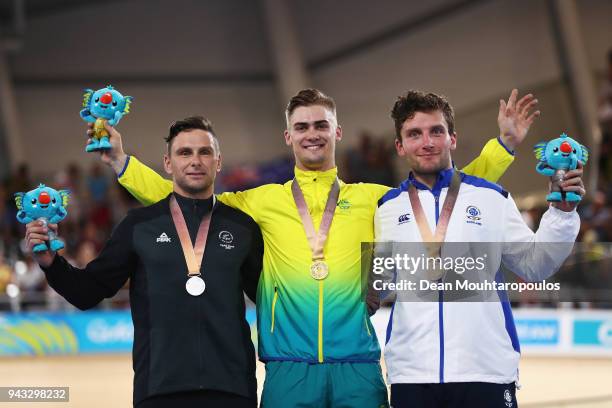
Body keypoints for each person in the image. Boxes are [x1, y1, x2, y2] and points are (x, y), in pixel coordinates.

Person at [93, 88, 534, 407]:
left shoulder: (375, 199)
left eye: (321, 124)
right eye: (301, 126)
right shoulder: (259, 202)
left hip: (358, 367)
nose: (312, 134)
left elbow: (455, 193)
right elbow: (184, 196)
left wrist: (505, 147)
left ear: (337, 131)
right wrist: (121, 162)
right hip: (288, 368)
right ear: (288, 137)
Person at [25, 116, 263, 408]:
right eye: (184, 152)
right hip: (159, 390)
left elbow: (270, 300)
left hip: (231, 389)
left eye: (205, 152)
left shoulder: (243, 228)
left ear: (218, 161)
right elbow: (87, 291)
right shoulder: (139, 226)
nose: (195, 160)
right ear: (167, 163)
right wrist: (52, 263)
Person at [375, 90, 584, 407]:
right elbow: (375, 284)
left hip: (485, 372)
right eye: (414, 134)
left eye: (436, 131)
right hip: (412, 376)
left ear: (452, 139)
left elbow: (535, 265)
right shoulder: (386, 209)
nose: (427, 141)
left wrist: (562, 215)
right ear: (400, 146)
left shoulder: (492, 198)